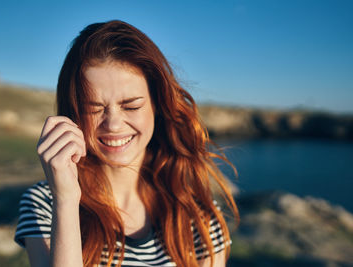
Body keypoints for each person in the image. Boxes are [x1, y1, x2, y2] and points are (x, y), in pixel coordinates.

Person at [14, 20, 238, 267]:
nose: (113, 125)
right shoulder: (45, 203)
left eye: (131, 106)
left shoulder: (198, 214)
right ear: (73, 115)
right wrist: (66, 200)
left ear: (157, 105)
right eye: (94, 109)